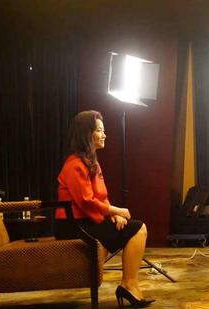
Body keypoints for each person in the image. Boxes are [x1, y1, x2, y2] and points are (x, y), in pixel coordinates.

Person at [54, 110, 154, 308]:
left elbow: (101, 197)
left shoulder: (92, 162)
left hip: (88, 220)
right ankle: (129, 285)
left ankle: (129, 284)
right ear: (87, 134)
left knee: (134, 228)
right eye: (99, 130)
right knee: (138, 228)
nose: (105, 134)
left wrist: (112, 214)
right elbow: (86, 201)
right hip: (73, 225)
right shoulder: (75, 164)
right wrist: (114, 212)